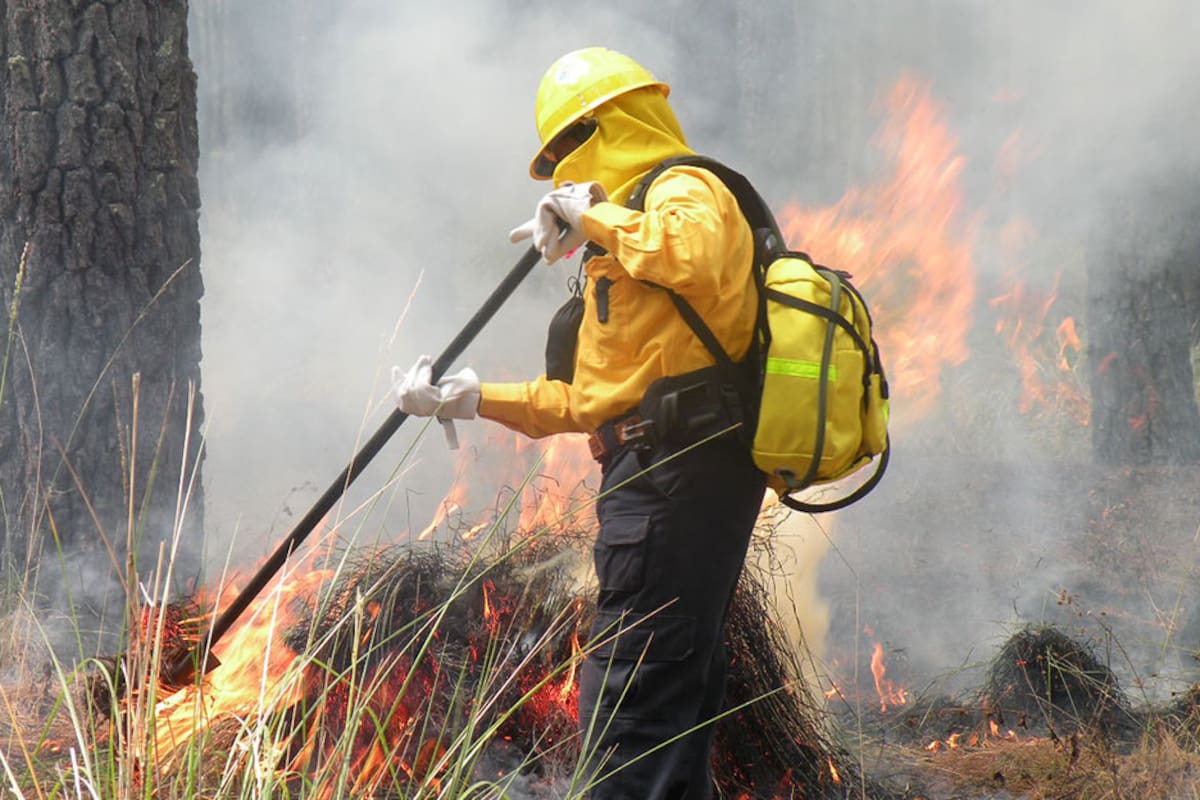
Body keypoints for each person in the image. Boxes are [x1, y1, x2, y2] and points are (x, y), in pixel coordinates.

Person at [392, 46, 766, 800]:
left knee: (630, 710)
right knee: (664, 706)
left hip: (679, 480)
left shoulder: (684, 188)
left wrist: (592, 213)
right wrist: (469, 397)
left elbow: (690, 254)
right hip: (654, 478)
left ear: (614, 121)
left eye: (569, 145)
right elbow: (589, 403)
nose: (562, 168)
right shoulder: (618, 244)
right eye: (556, 158)